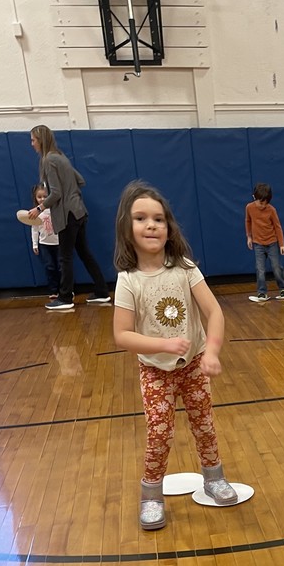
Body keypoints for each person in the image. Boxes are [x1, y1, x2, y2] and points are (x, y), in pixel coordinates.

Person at [113, 181, 238, 531]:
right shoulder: (128, 280)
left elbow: (214, 312)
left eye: (158, 218)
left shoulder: (184, 267)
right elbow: (121, 334)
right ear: (127, 227)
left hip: (194, 363)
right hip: (155, 370)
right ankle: (151, 495)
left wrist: (210, 351)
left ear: (169, 228)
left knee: (204, 424)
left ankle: (213, 478)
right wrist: (163, 346)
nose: (151, 225)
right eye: (140, 218)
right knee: (159, 430)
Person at [28, 125, 111, 312]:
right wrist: (70, 192)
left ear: (41, 140)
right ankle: (102, 291)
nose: (31, 143)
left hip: (68, 215)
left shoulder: (48, 160)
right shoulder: (61, 157)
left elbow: (56, 193)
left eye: (33, 140)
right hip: (79, 211)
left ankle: (65, 297)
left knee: (64, 257)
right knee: (84, 253)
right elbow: (80, 180)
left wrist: (40, 207)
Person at [244, 182, 284, 301]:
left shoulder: (271, 210)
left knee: (277, 267)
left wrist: (282, 245)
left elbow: (278, 227)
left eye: (266, 203)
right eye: (261, 202)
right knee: (260, 269)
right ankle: (262, 292)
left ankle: (283, 289)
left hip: (272, 243)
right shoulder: (249, 208)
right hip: (258, 244)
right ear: (254, 197)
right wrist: (249, 237)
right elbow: (248, 221)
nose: (263, 205)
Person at [28, 183, 60, 297]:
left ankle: (66, 290)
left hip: (59, 243)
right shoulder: (35, 213)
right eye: (39, 197)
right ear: (35, 198)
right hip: (45, 244)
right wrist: (35, 244)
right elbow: (35, 230)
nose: (42, 199)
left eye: (45, 196)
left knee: (62, 267)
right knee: (50, 267)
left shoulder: (55, 209)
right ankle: (53, 290)